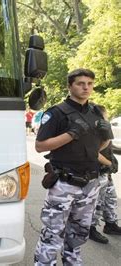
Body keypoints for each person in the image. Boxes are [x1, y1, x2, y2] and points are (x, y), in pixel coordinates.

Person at [34, 68, 113, 265]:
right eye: (80, 83)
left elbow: (97, 148)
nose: (86, 88)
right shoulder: (57, 113)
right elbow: (40, 146)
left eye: (90, 84)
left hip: (90, 184)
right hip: (64, 183)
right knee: (52, 235)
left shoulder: (95, 112)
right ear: (70, 86)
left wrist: (106, 137)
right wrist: (71, 134)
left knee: (78, 235)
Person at [88, 105, 120, 244]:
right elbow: (93, 153)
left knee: (111, 199)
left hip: (106, 172)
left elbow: (108, 149)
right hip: (98, 172)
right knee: (98, 203)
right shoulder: (95, 130)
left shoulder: (104, 128)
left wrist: (111, 163)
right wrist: (109, 163)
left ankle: (111, 224)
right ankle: (91, 228)